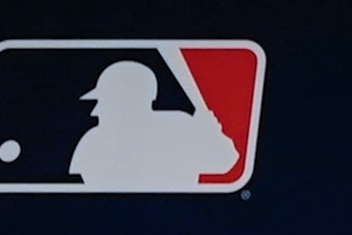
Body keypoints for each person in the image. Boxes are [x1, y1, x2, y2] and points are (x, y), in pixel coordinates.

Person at [67, 55, 237, 191]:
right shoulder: (93, 141)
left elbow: (225, 161)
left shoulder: (180, 127)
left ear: (129, 102)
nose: (95, 111)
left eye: (105, 101)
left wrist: (210, 135)